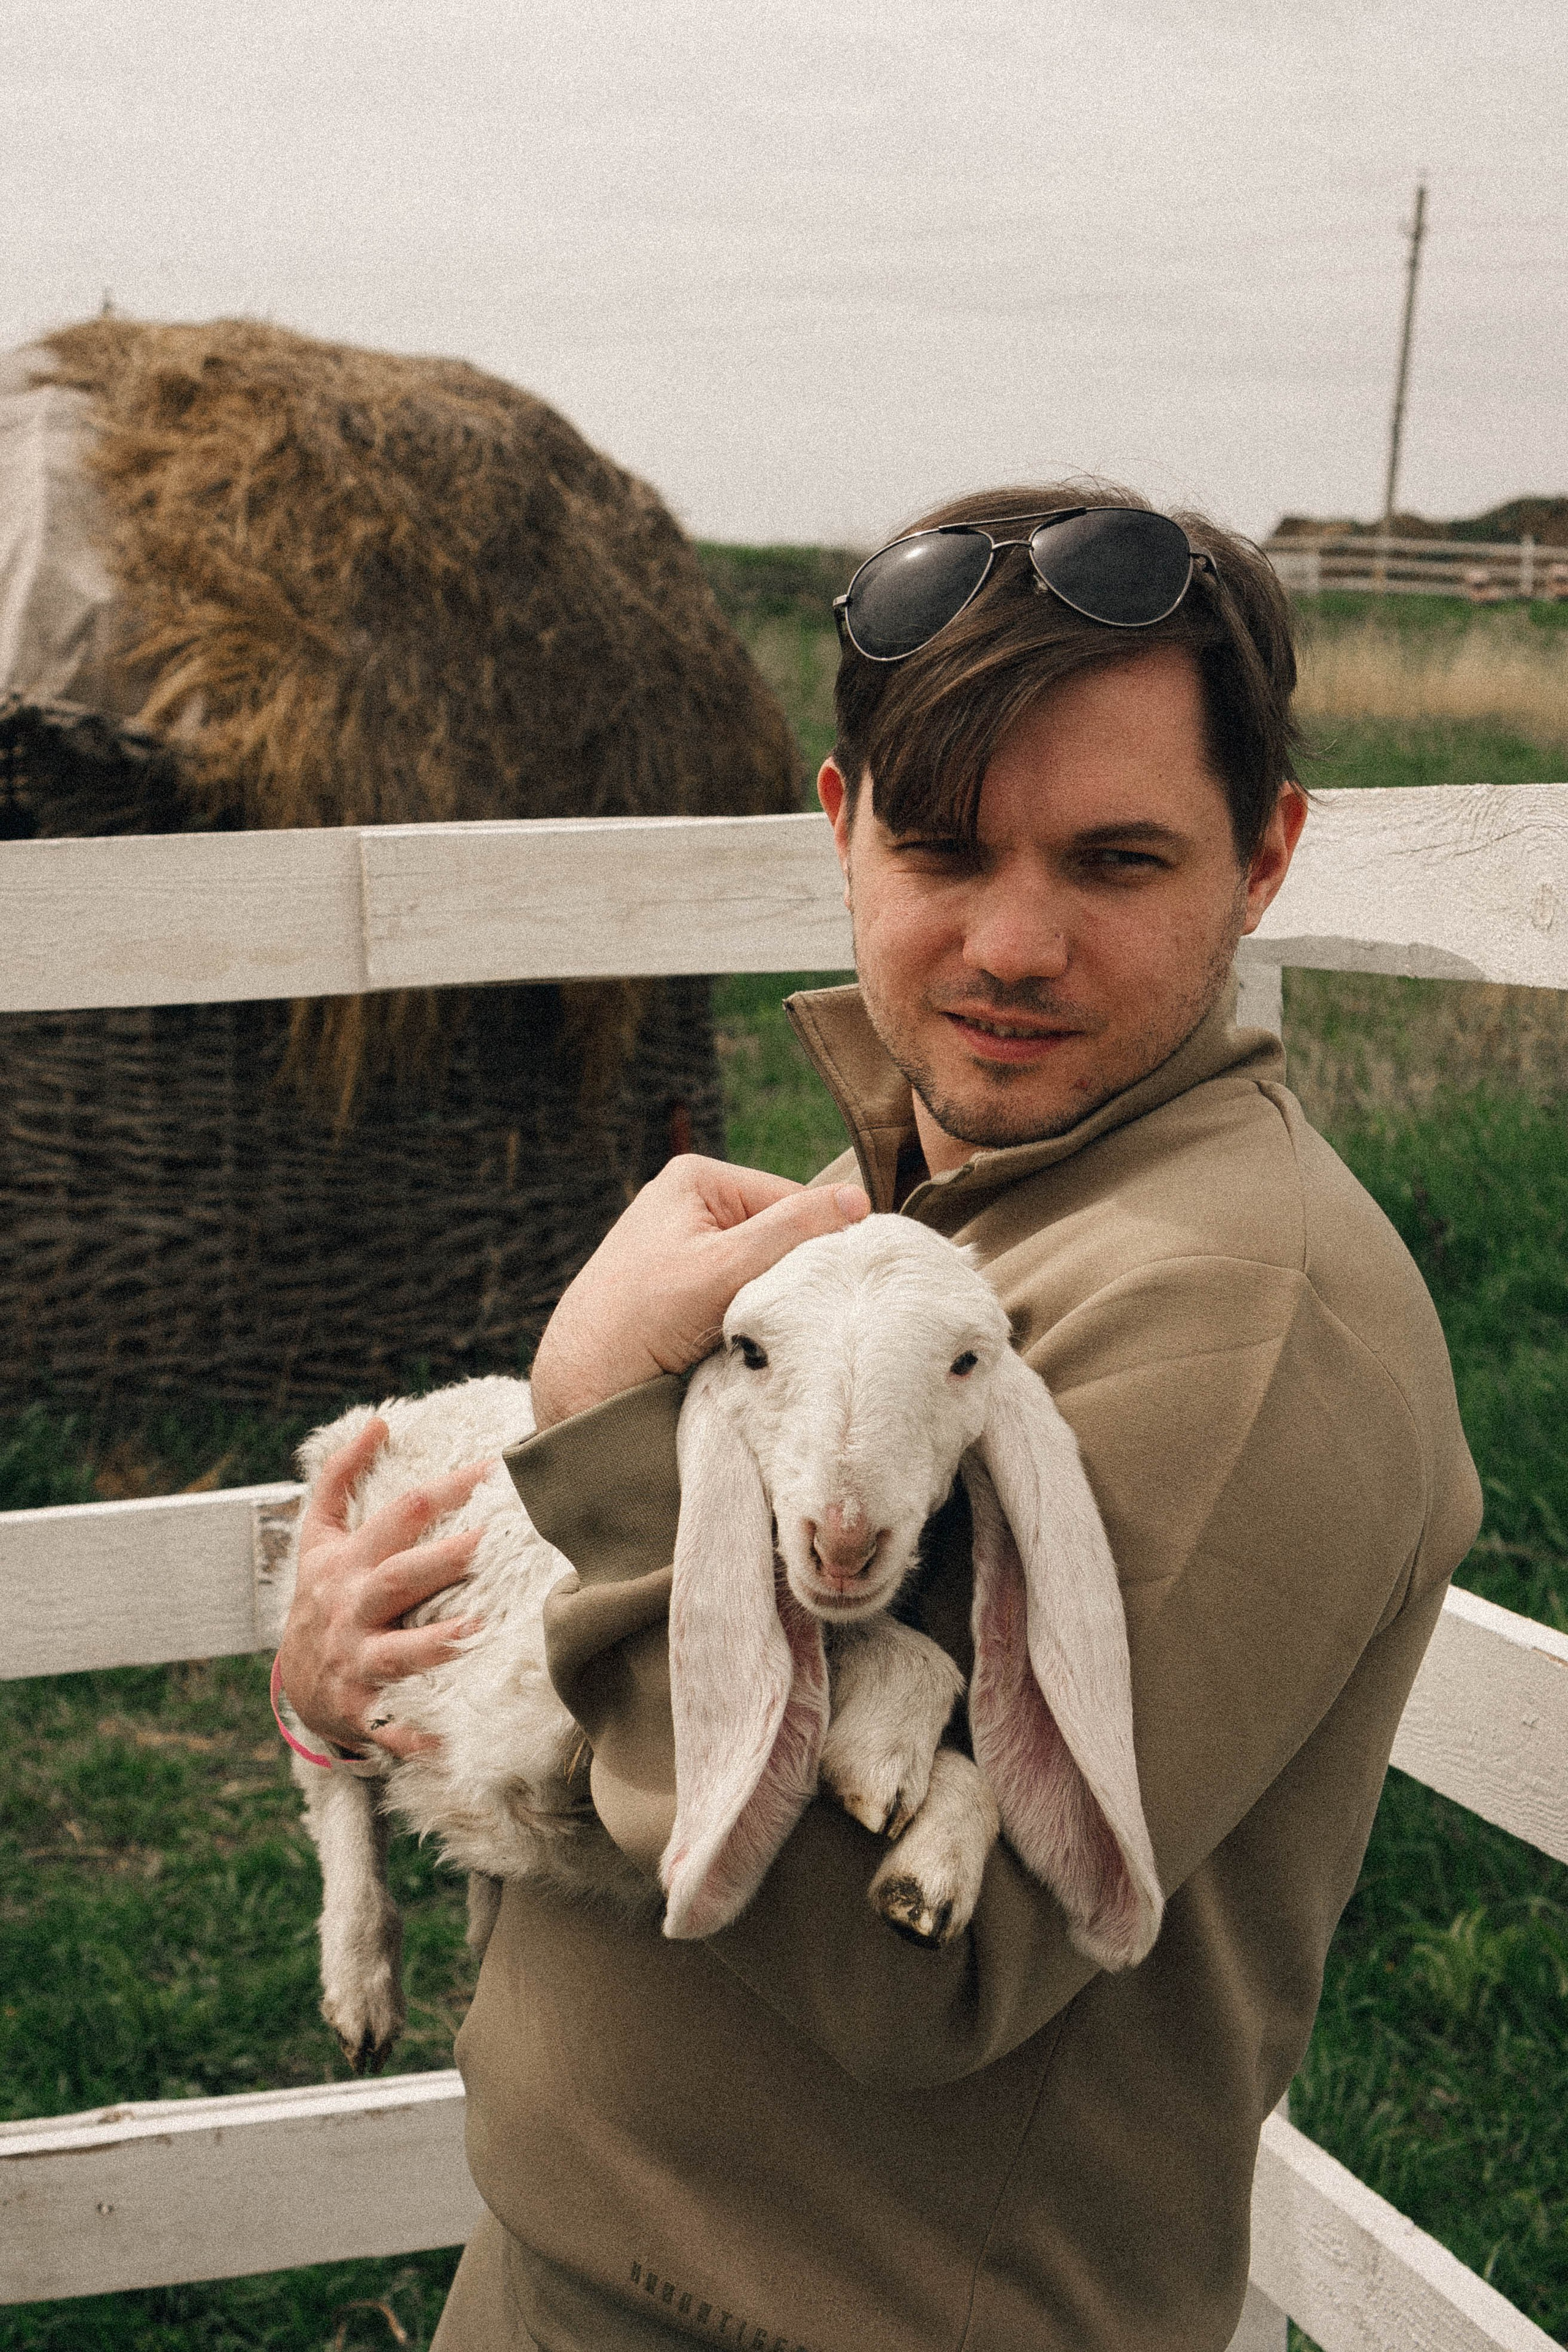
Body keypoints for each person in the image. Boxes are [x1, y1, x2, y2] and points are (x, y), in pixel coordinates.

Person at [279, 485, 1481, 2352]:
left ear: (1266, 859)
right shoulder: (938, 1219)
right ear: (842, 829)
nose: (1012, 943)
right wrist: (398, 1667)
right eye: (942, 847)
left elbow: (922, 1980)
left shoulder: (1241, 1312)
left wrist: (601, 1430)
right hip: (584, 2273)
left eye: (1117, 861)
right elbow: (631, 1715)